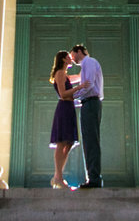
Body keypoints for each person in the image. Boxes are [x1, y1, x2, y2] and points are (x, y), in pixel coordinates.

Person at [70, 43, 103, 189]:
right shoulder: (87, 65)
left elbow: (88, 85)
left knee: (91, 142)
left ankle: (94, 178)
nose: (72, 59)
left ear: (78, 52)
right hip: (88, 104)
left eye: (72, 55)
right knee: (89, 141)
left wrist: (71, 97)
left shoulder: (88, 62)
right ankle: (93, 177)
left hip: (91, 104)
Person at [47, 50, 78, 189]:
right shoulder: (60, 73)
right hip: (64, 108)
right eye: (68, 57)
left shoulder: (65, 75)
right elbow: (63, 94)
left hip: (69, 108)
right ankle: (58, 176)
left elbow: (78, 77)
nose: (70, 59)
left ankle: (58, 176)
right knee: (61, 142)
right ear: (64, 59)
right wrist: (80, 88)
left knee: (69, 142)